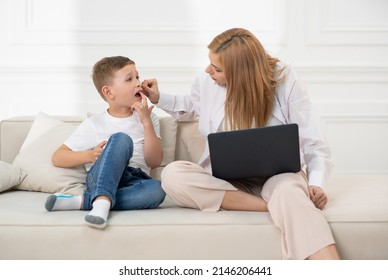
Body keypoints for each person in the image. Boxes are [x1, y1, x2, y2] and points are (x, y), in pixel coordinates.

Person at [142, 28, 340, 259]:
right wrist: (157, 97)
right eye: (210, 64)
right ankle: (271, 206)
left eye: (216, 68)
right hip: (227, 182)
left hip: (279, 178)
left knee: (288, 193)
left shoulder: (285, 78)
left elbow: (312, 137)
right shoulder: (207, 83)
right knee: (173, 174)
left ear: (240, 72)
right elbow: (192, 106)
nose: (208, 71)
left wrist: (316, 183)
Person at [45, 56, 166, 229]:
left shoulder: (150, 117)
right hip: (102, 176)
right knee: (121, 139)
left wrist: (146, 122)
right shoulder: (94, 123)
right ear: (109, 92)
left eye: (137, 77)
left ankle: (88, 202)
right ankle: (101, 201)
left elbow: (154, 162)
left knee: (158, 190)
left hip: (135, 180)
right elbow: (58, 157)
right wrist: (89, 155)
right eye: (129, 79)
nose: (138, 83)